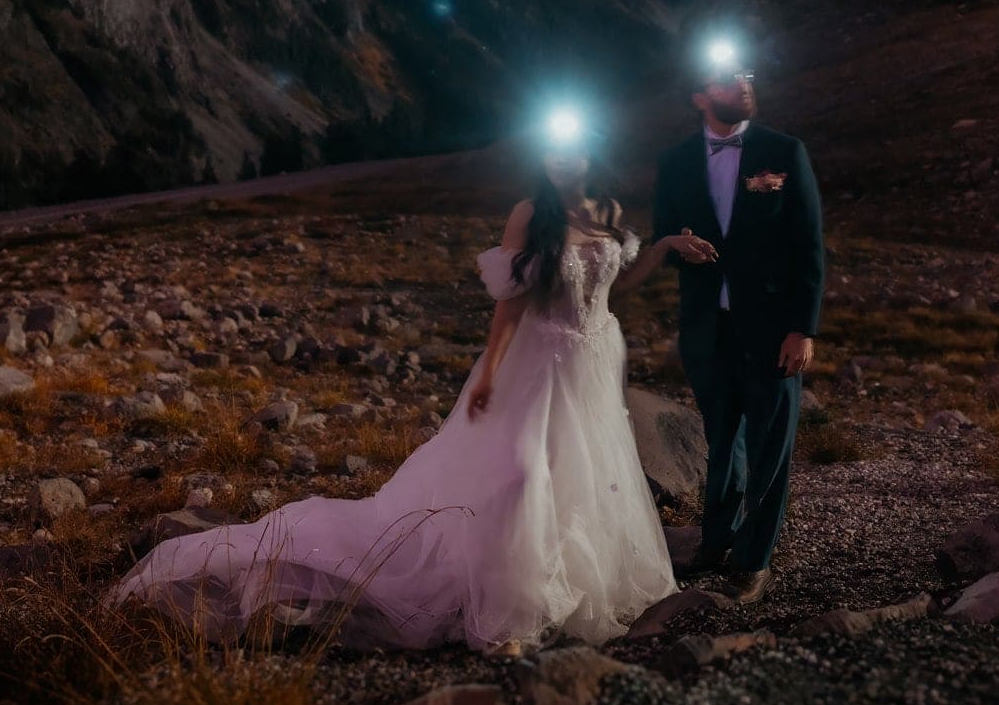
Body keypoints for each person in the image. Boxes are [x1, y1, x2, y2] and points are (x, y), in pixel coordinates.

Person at [108, 111, 705, 655]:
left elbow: (615, 289)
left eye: (570, 152)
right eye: (550, 153)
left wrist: (665, 249)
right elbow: (509, 308)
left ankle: (571, 588)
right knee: (522, 476)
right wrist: (490, 374)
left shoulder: (607, 214)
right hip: (539, 363)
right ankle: (509, 615)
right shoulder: (530, 214)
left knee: (585, 478)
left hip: (596, 359)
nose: (560, 162)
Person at [649, 38, 825, 604]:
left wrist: (805, 327)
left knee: (771, 442)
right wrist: (676, 242)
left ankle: (754, 559)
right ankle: (714, 540)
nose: (743, 84)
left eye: (746, 73)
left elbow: (809, 245)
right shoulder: (675, 161)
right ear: (700, 96)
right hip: (707, 326)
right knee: (721, 438)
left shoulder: (784, 151)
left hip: (774, 327)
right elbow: (659, 235)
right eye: (727, 78)